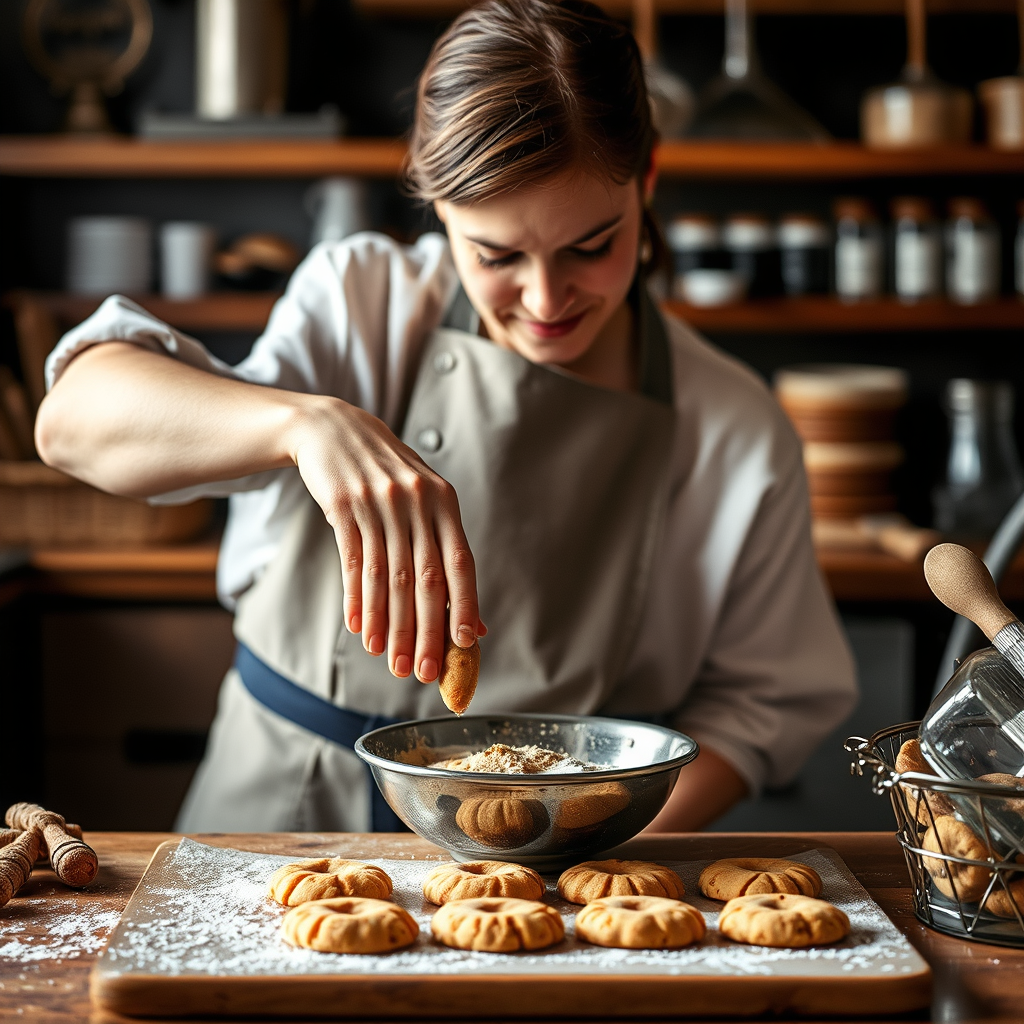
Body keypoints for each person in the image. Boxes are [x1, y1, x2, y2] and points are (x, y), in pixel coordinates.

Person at [36, 0, 856, 834]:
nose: (544, 301)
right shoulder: (364, 301)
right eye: (496, 255)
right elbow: (71, 420)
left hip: (545, 843)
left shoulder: (733, 424)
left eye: (592, 245)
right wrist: (301, 426)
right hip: (278, 804)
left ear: (645, 185)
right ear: (439, 211)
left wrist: (599, 847)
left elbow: (760, 705)